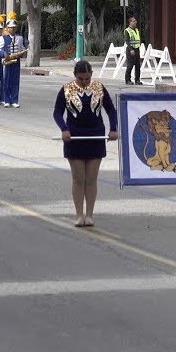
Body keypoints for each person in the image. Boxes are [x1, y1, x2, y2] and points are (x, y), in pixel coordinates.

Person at [53, 60, 119, 228]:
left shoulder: (99, 87)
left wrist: (113, 129)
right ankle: (78, 214)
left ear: (91, 75)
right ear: (75, 76)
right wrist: (64, 129)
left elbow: (111, 110)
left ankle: (89, 215)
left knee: (91, 179)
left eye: (87, 78)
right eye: (81, 78)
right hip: (74, 137)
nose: (84, 82)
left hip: (95, 136)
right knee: (78, 179)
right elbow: (57, 113)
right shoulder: (66, 89)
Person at [124, 16, 143, 85]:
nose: (135, 22)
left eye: (135, 21)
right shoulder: (127, 31)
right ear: (130, 22)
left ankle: (137, 80)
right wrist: (131, 49)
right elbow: (127, 41)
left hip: (137, 49)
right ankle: (127, 80)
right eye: (134, 21)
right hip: (130, 50)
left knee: (138, 66)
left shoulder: (137, 30)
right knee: (130, 66)